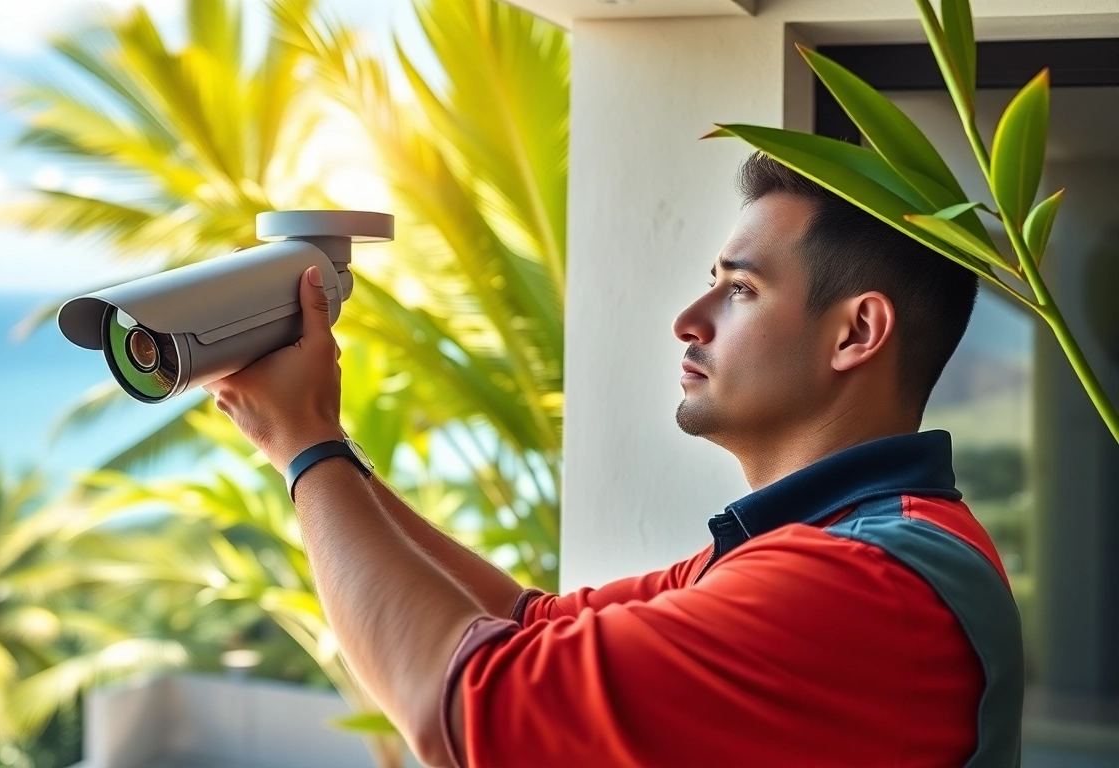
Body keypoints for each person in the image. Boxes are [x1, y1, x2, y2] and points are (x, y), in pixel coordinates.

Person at [205, 153, 1024, 768]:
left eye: (741, 290)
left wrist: (305, 447)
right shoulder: (828, 543)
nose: (689, 318)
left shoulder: (859, 583)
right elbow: (531, 624)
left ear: (856, 333)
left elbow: (466, 711)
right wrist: (321, 443)